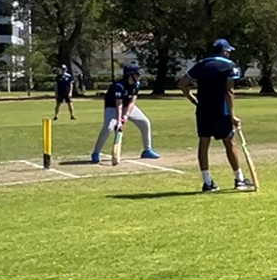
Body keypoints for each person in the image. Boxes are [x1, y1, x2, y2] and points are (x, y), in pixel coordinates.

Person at [178, 40, 254, 192]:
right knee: (229, 142)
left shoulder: (201, 64)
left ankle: (207, 182)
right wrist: (233, 115)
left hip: (203, 110)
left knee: (204, 142)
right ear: (224, 51)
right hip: (221, 110)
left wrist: (194, 100)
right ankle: (239, 179)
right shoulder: (229, 65)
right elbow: (229, 92)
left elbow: (182, 84)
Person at [91, 62, 160, 163]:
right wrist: (119, 122)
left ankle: (147, 150)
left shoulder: (137, 84)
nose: (139, 76)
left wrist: (126, 116)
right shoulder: (119, 86)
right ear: (130, 75)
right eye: (137, 74)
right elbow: (118, 105)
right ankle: (96, 153)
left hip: (127, 106)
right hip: (112, 107)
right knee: (109, 127)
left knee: (145, 122)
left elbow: (132, 101)